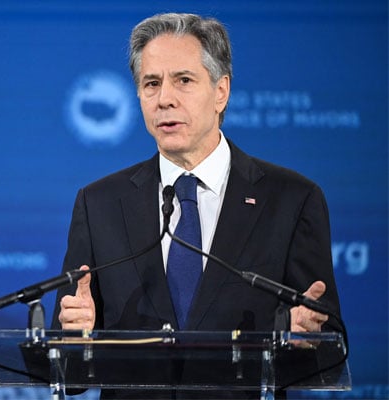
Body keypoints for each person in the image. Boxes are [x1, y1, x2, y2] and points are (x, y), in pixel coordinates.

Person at [51, 12, 341, 399]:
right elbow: (64, 364)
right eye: (151, 83)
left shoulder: (291, 200)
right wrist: (75, 336)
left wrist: (305, 338)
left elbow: (329, 350)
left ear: (221, 91)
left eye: (183, 81)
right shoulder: (99, 203)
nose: (165, 99)